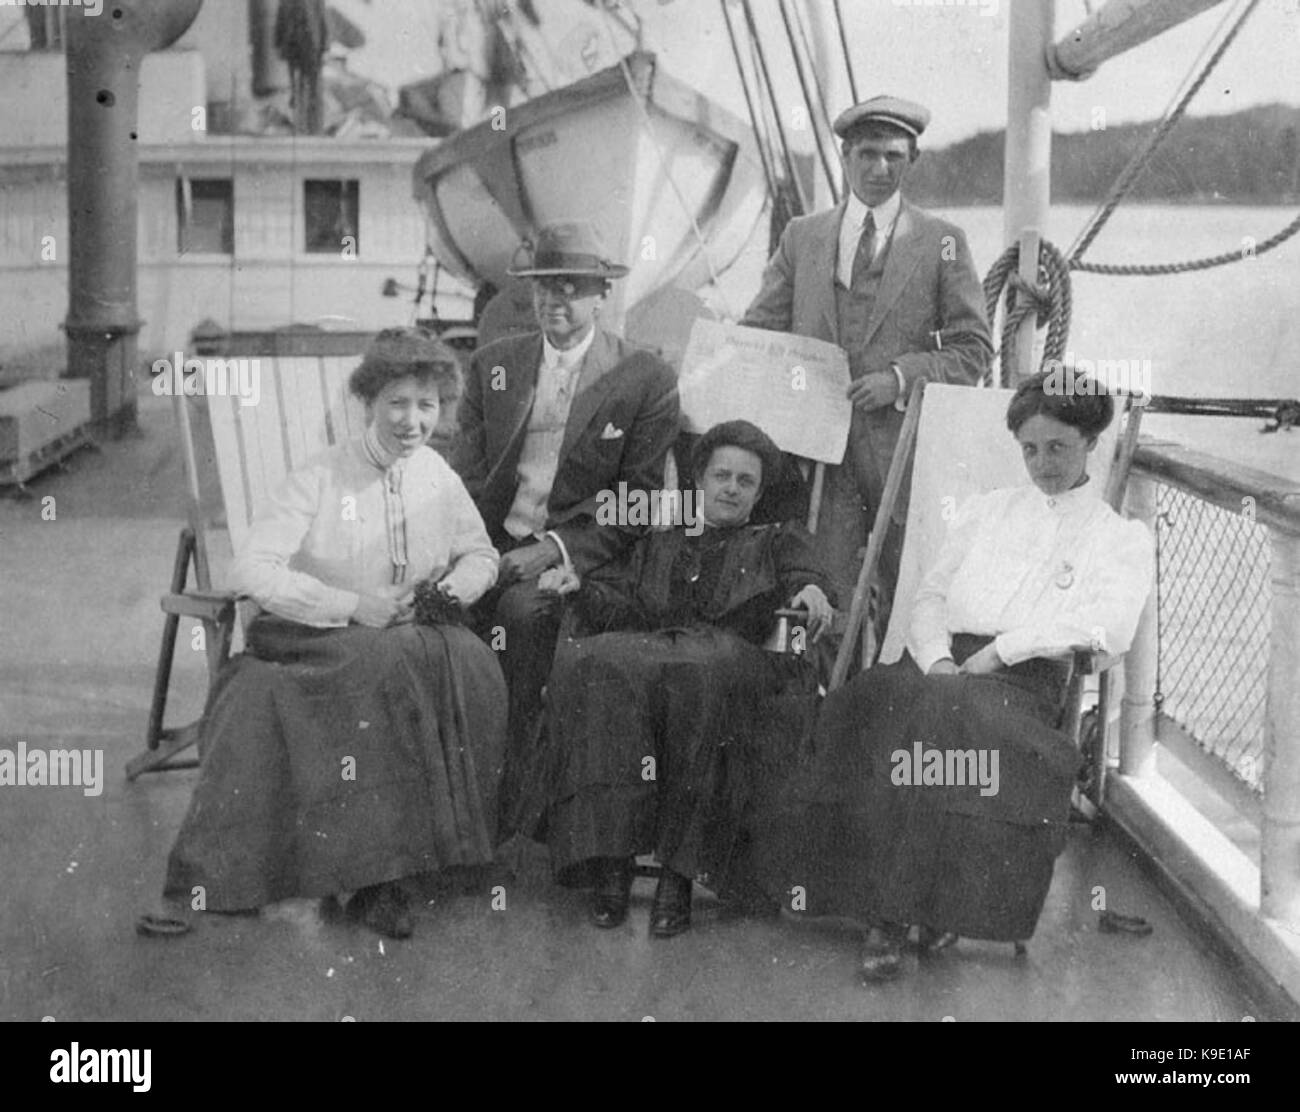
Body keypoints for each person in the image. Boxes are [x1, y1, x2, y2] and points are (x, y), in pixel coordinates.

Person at [754, 372, 1154, 982]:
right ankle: (857, 891)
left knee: (942, 726)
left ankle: (890, 915)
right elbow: (929, 595)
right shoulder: (987, 511)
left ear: (1090, 445)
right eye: (1030, 449)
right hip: (941, 663)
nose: (1042, 463)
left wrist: (1003, 652)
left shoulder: (1116, 537)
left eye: (1058, 448)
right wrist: (938, 657)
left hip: (1024, 680)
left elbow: (1108, 630)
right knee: (864, 700)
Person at [138, 329, 506, 941]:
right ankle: (370, 879)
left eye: (427, 405)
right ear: (367, 402)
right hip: (316, 635)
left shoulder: (437, 474)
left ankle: (414, 865)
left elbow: (481, 555)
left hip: (412, 632)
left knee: (469, 664)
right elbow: (250, 570)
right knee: (378, 669)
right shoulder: (320, 475)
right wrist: (350, 604)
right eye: (397, 403)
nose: (412, 420)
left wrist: (444, 595)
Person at [523, 420, 835, 939]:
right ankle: (612, 861)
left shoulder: (776, 540)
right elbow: (624, 607)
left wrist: (810, 592)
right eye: (722, 476)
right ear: (700, 482)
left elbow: (810, 578)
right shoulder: (662, 540)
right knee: (599, 664)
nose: (731, 488)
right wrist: (578, 587)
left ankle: (678, 874)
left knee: (696, 674)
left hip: (735, 660)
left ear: (758, 494)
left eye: (745, 481)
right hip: (660, 649)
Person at [740, 94, 992, 643]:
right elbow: (758, 334)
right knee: (818, 598)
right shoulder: (801, 238)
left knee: (913, 598)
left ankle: (897, 713)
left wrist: (899, 378)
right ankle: (822, 713)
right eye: (868, 155)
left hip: (903, 462)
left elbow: (974, 350)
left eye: (894, 157)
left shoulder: (943, 242)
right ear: (845, 156)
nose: (880, 169)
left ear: (913, 161)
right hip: (818, 463)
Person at [451, 220, 679, 825]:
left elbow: (640, 501)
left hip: (582, 561)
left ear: (604, 295)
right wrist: (471, 554)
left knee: (519, 618)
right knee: (432, 620)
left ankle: (503, 810)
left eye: (572, 287)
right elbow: (466, 480)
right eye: (544, 287)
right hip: (490, 545)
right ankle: (443, 809)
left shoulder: (644, 378)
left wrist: (553, 549)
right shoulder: (492, 366)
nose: (556, 300)